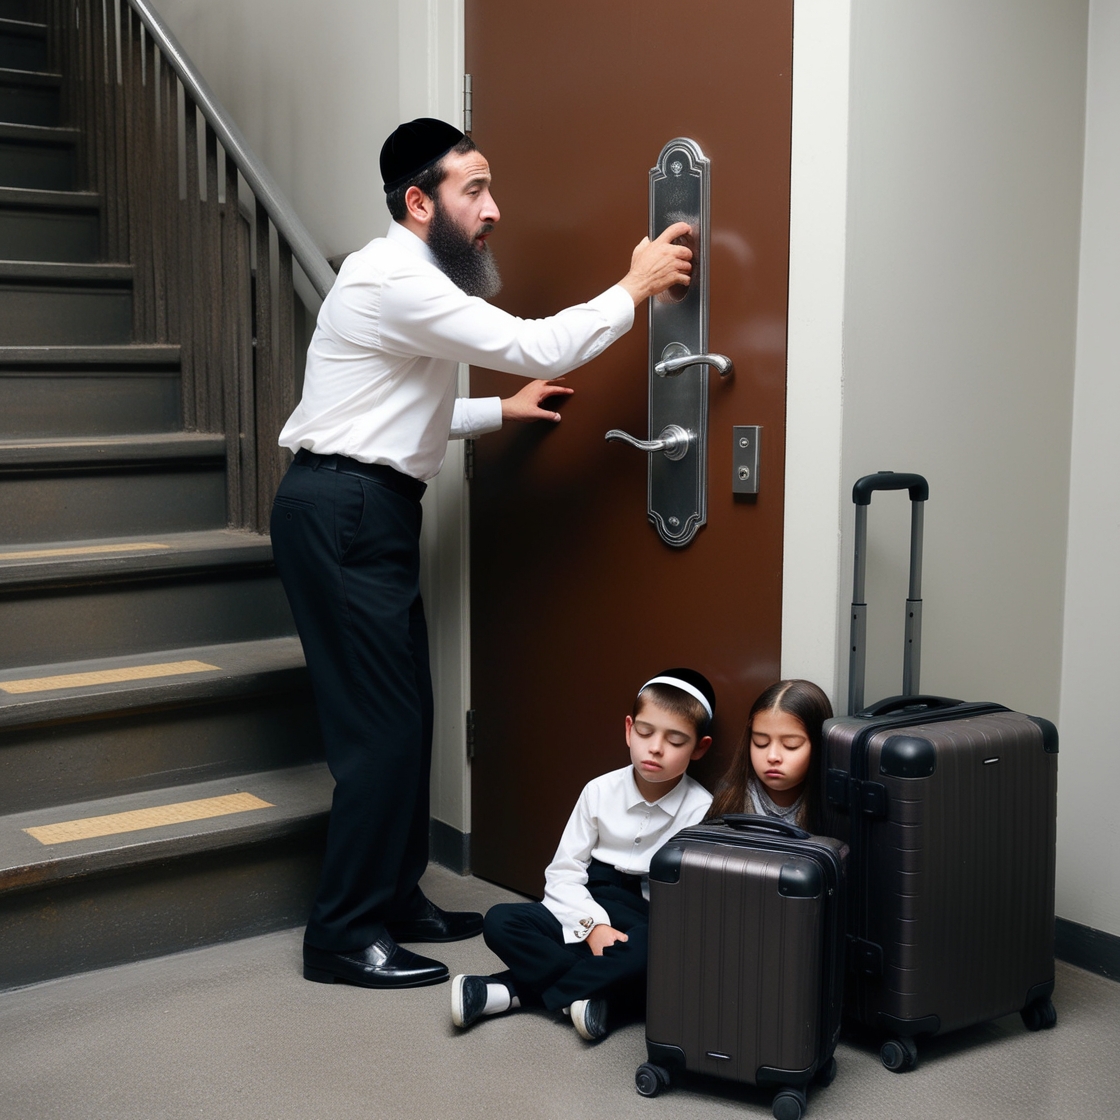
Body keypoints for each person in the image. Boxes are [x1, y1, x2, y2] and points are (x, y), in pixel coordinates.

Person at [270, 117, 694, 991]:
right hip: (345, 511)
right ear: (419, 202)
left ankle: (395, 898)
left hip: (367, 508)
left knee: (410, 718)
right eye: (475, 189)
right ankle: (341, 934)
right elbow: (537, 342)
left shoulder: (409, 280)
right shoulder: (393, 278)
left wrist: (500, 412)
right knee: (379, 734)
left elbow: (388, 410)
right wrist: (637, 284)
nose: (493, 209)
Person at [450, 669, 714, 1041]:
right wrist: (592, 927)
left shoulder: (702, 810)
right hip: (587, 902)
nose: (656, 748)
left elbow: (687, 909)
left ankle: (512, 991)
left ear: (699, 748)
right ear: (629, 730)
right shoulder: (599, 791)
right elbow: (564, 872)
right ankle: (597, 995)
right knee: (500, 921)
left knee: (657, 956)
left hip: (646, 919)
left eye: (675, 740)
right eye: (645, 732)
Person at [707, 679, 832, 831]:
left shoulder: (836, 812)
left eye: (791, 745)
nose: (772, 757)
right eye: (761, 742)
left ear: (819, 745)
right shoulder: (728, 798)